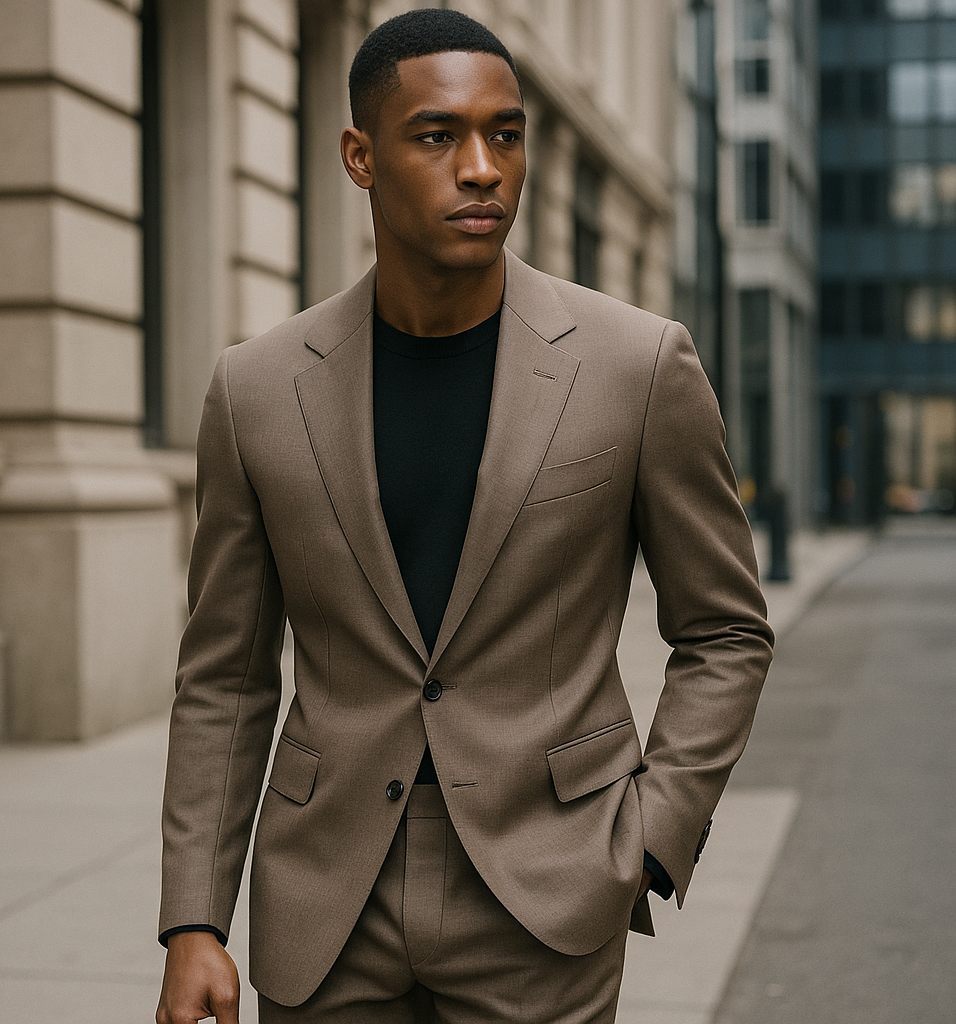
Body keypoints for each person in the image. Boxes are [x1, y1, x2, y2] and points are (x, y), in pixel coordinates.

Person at [155, 9, 774, 1024]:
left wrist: (653, 837)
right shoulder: (256, 390)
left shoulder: (636, 366)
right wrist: (193, 920)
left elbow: (725, 630)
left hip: (548, 891)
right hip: (326, 901)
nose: (483, 169)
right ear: (360, 156)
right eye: (438, 135)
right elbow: (225, 675)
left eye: (505, 134)